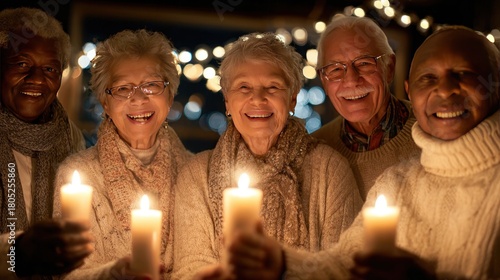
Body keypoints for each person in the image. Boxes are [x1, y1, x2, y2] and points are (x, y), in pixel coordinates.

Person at [226, 26, 500, 280]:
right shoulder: (397, 183)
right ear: (411, 90)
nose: (445, 89)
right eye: (428, 78)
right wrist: (283, 264)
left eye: (464, 74)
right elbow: (343, 264)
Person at [172, 32, 363, 279]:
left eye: (273, 87)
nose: (258, 98)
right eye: (244, 87)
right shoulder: (197, 175)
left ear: (292, 99)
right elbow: (191, 269)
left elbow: (344, 268)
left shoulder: (330, 169)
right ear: (227, 101)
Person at [53, 29, 192, 279]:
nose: (138, 98)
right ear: (105, 103)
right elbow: (67, 273)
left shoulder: (195, 174)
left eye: (151, 85)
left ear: (169, 96)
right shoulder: (77, 177)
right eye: (123, 88)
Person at [0, 7, 92, 279]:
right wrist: (17, 253)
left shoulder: (73, 140)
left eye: (50, 68)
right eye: (21, 64)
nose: (37, 79)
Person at [312, 15, 420, 200]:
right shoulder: (315, 152)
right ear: (323, 80)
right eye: (336, 69)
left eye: (364, 63)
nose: (352, 80)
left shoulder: (431, 133)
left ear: (389, 68)